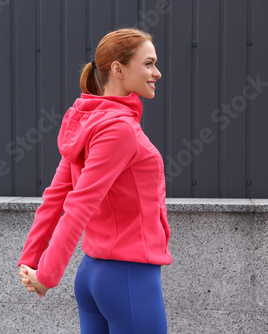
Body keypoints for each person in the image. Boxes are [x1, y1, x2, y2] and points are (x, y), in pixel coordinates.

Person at [17, 28, 172, 333]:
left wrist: (32, 259)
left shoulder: (90, 121)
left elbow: (56, 197)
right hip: (128, 277)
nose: (158, 72)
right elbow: (77, 205)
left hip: (92, 275)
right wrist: (45, 273)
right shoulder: (119, 130)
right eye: (149, 63)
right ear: (118, 68)